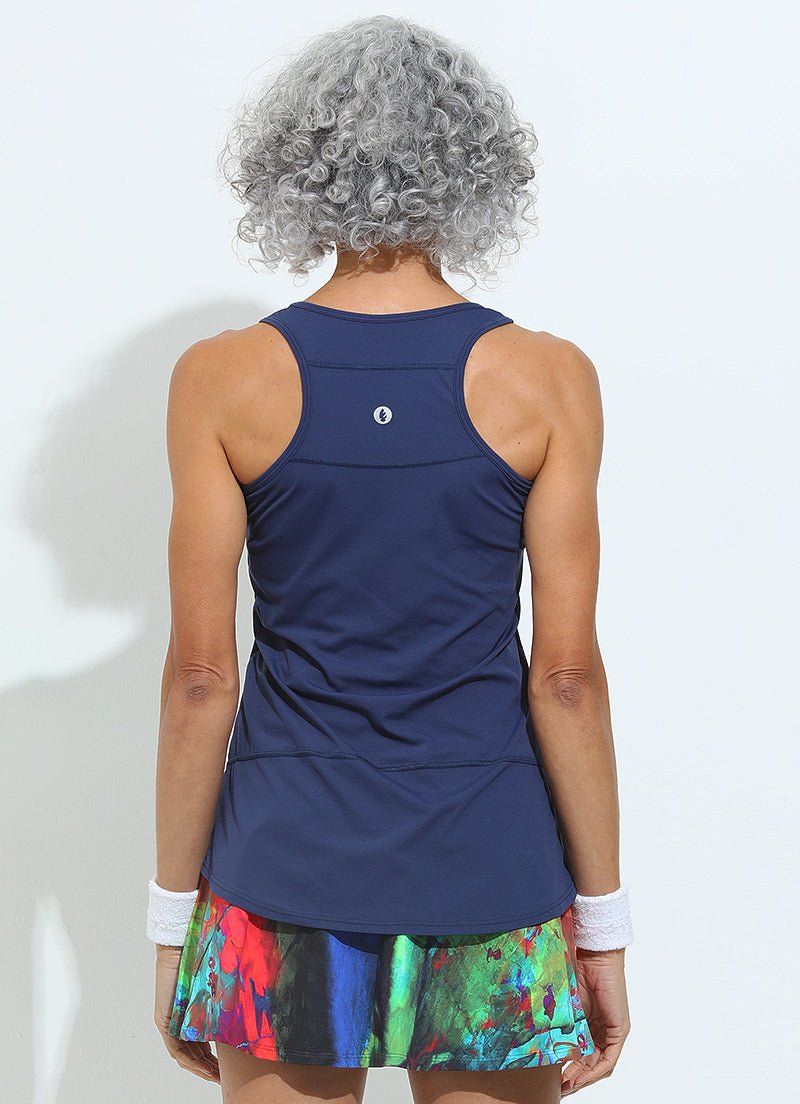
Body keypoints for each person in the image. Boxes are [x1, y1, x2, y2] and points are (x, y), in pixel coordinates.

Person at [147, 14, 633, 1104]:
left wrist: (173, 922)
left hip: (280, 873)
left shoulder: (222, 378)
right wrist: (602, 928)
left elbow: (199, 678)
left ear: (298, 162)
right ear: (473, 165)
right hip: (490, 870)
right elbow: (565, 677)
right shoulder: (546, 379)